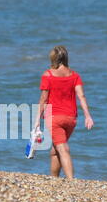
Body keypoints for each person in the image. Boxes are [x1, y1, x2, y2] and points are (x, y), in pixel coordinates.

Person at [34, 45, 94, 179]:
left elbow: (43, 98)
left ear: (53, 58)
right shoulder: (75, 76)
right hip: (71, 119)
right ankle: (54, 179)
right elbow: (81, 96)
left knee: (63, 148)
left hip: (54, 118)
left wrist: (37, 120)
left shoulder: (48, 75)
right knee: (55, 149)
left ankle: (71, 182)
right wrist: (87, 116)